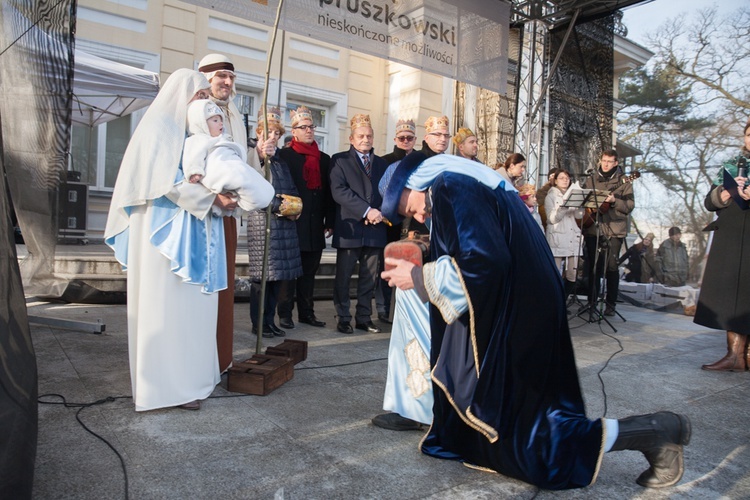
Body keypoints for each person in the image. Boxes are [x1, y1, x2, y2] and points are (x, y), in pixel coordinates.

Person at [379, 152, 691, 490]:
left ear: (412, 183)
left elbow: (485, 260)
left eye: (410, 208)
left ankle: (655, 431)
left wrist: (421, 277)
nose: (420, 216)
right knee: (515, 418)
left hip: (519, 309)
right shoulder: (466, 180)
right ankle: (462, 439)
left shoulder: (450, 185)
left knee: (532, 436)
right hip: (528, 299)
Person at [104, 69, 274, 411]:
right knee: (167, 312)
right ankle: (168, 389)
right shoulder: (159, 129)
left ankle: (193, 380)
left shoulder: (189, 132)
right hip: (162, 238)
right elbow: (165, 182)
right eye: (198, 97)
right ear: (180, 96)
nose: (203, 104)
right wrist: (212, 199)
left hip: (192, 232)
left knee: (192, 311)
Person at [198, 54, 273, 373]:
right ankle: (199, 362)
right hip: (201, 215)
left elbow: (238, 166)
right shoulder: (196, 111)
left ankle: (221, 358)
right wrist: (210, 196)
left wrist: (258, 154)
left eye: (231, 77)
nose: (227, 82)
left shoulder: (234, 115)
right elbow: (188, 163)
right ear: (205, 78)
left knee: (225, 288)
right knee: (203, 290)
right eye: (220, 76)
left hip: (228, 218)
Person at [695, 118, 750, 372]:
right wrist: (727, 193)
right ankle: (734, 355)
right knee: (730, 293)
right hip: (730, 233)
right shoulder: (731, 166)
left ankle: (745, 355)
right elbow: (709, 202)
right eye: (748, 135)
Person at [245, 107, 303, 338]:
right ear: (259, 132)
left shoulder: (280, 160)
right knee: (262, 280)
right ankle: (258, 323)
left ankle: (269, 320)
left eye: (277, 134)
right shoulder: (253, 154)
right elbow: (252, 185)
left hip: (284, 225)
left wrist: (296, 209)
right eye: (269, 133)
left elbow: (290, 189)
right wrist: (260, 153)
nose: (274, 138)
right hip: (263, 225)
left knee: (277, 279)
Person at [276, 106, 335, 329]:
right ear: (294, 131)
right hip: (292, 223)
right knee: (290, 272)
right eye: (304, 127)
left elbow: (329, 193)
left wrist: (330, 221)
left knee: (309, 273)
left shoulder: (324, 159)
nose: (309, 131)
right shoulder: (285, 155)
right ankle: (284, 313)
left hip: (315, 225)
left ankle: (306, 313)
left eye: (311, 127)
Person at [330, 114, 388, 334]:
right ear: (351, 138)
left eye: (369, 136)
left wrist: (380, 212)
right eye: (361, 136)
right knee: (343, 277)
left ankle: (364, 317)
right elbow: (339, 191)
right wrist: (366, 210)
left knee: (369, 278)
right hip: (350, 228)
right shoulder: (339, 160)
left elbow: (388, 192)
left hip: (375, 228)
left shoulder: (382, 163)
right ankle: (343, 317)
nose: (366, 139)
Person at [183, 100, 269, 216]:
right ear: (201, 123)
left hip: (230, 166)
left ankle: (257, 196)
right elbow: (193, 156)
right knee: (244, 183)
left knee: (255, 184)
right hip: (219, 171)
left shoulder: (223, 138)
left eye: (221, 120)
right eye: (215, 120)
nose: (220, 124)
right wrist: (194, 171)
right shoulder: (198, 140)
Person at [582, 149, 634, 317]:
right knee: (593, 267)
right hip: (593, 228)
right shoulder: (591, 180)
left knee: (611, 267)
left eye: (609, 161)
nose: (605, 164)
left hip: (614, 229)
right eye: (603, 160)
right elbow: (583, 199)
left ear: (616, 163)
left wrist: (614, 201)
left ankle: (610, 304)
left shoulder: (624, 182)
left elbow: (629, 206)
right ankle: (591, 302)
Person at [376, 118, 418, 323]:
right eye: (402, 138)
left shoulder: (420, 161)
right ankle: (384, 308)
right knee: (388, 264)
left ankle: (403, 309)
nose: (405, 141)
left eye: (409, 138)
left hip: (414, 220)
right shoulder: (384, 161)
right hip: (390, 222)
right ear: (395, 138)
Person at [544, 169, 583, 302]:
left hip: (572, 237)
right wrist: (564, 206)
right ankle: (553, 302)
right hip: (558, 237)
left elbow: (579, 217)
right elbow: (551, 219)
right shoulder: (550, 196)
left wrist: (580, 207)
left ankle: (563, 300)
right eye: (561, 178)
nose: (565, 180)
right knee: (555, 273)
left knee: (573, 274)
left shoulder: (573, 193)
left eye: (567, 177)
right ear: (555, 181)